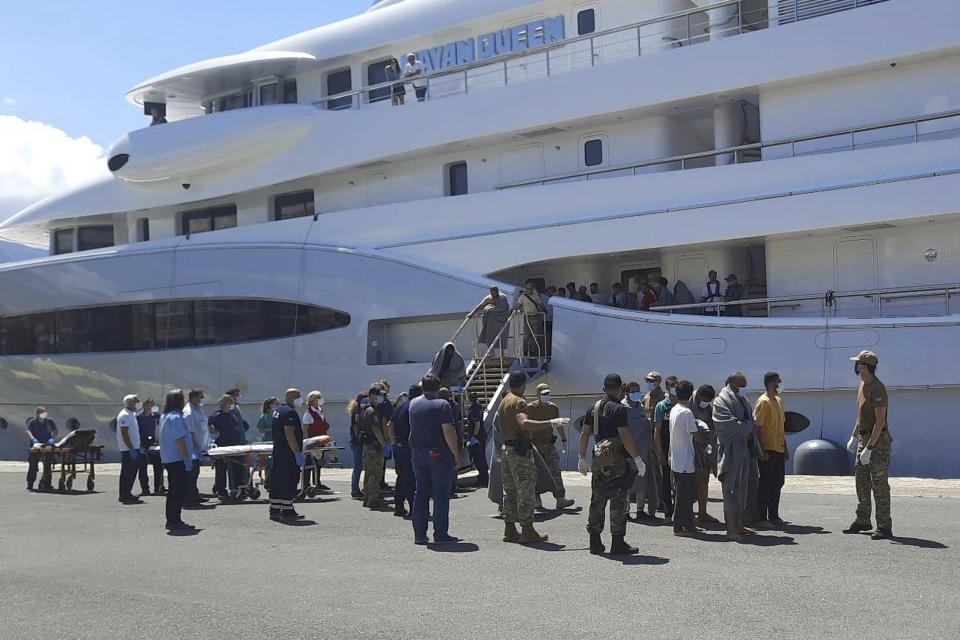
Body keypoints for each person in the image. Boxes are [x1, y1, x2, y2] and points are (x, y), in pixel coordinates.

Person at [579, 373, 645, 555]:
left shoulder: (593, 408)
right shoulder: (619, 409)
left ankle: (595, 541)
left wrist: (582, 456)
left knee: (597, 499)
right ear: (619, 389)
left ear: (603, 389)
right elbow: (625, 436)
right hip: (616, 461)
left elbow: (585, 433)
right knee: (618, 499)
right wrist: (638, 459)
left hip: (598, 459)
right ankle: (617, 542)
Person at [499, 372, 568, 544]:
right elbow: (524, 423)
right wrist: (551, 423)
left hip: (507, 449)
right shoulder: (519, 402)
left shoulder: (504, 400)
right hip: (520, 451)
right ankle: (527, 530)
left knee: (510, 490)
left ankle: (510, 528)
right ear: (523, 385)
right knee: (526, 490)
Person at [843, 350, 894, 540]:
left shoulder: (877, 388)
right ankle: (863, 520)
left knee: (879, 484)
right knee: (861, 481)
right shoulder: (862, 385)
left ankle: (884, 526)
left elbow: (880, 421)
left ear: (864, 367)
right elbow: (861, 416)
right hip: (864, 439)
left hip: (877, 441)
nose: (856, 367)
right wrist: (854, 436)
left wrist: (870, 448)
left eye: (858, 364)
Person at [408, 373, 462, 544]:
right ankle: (440, 534)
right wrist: (457, 455)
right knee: (440, 494)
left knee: (421, 493)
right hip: (438, 452)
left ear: (422, 387)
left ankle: (419, 534)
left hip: (417, 452)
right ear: (438, 388)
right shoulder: (442, 404)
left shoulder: (413, 404)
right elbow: (448, 431)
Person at [712, 372, 758, 541]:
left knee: (741, 490)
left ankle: (739, 524)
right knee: (730, 490)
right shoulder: (720, 401)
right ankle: (731, 529)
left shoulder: (743, 400)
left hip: (743, 450)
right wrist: (749, 428)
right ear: (731, 383)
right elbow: (727, 425)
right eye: (742, 385)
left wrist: (750, 427)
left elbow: (752, 421)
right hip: (730, 452)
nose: (744, 389)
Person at [527, 383, 574, 510]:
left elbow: (558, 424)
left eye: (547, 393)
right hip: (534, 445)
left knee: (555, 471)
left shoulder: (553, 407)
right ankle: (536, 499)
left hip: (548, 444)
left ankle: (560, 498)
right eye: (543, 394)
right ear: (537, 394)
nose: (546, 396)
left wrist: (564, 439)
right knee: (535, 473)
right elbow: (527, 426)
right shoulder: (530, 408)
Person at [669, 380, 706, 536]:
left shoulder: (675, 409)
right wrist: (705, 439)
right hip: (685, 460)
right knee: (683, 496)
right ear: (691, 394)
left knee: (686, 494)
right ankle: (678, 527)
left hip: (677, 458)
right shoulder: (687, 412)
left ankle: (689, 524)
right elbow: (696, 436)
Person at [156, 389, 195, 532]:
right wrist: (186, 458)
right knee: (177, 491)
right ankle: (174, 520)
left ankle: (173, 519)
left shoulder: (165, 416)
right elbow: (180, 440)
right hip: (177, 459)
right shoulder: (176, 418)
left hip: (168, 458)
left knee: (174, 490)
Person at [754, 372, 789, 527]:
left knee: (778, 482)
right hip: (768, 449)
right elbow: (758, 428)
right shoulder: (763, 402)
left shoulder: (779, 401)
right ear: (770, 383)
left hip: (779, 448)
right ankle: (762, 517)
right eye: (778, 381)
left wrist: (785, 448)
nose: (780, 384)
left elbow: (781, 428)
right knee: (766, 484)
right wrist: (761, 450)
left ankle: (774, 516)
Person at [623, 381, 657, 521]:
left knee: (642, 479)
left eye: (638, 390)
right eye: (633, 391)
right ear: (626, 392)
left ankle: (640, 509)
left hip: (642, 448)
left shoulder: (640, 406)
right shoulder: (623, 407)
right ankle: (625, 511)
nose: (636, 393)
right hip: (628, 449)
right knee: (627, 481)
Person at [270, 389, 305, 521]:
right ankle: (286, 509)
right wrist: (297, 453)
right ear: (290, 397)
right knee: (289, 480)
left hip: (279, 452)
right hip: (288, 453)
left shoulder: (278, 411)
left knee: (278, 480)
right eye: (298, 396)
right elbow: (289, 433)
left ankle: (275, 508)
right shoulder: (289, 412)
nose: (300, 399)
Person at [690, 385, 720, 524]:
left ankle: (702, 512)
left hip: (706, 448)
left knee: (703, 480)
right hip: (691, 448)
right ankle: (688, 513)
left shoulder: (709, 406)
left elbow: (713, 423)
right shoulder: (690, 404)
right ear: (699, 396)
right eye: (704, 400)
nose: (705, 403)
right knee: (689, 482)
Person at [391, 384, 421, 518]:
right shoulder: (414, 407)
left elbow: (389, 425)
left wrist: (394, 440)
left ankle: (398, 507)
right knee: (411, 478)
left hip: (398, 444)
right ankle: (413, 508)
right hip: (409, 445)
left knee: (401, 476)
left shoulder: (399, 406)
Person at [209, 394, 246, 499]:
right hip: (222, 445)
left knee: (236, 467)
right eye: (230, 402)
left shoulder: (232, 414)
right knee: (221, 469)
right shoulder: (216, 415)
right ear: (224, 403)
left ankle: (236, 488)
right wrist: (216, 432)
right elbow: (208, 426)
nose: (231, 404)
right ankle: (220, 490)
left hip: (234, 445)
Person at [653, 376, 679, 522]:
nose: (674, 387)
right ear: (667, 388)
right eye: (672, 385)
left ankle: (680, 510)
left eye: (676, 384)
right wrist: (660, 452)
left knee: (681, 482)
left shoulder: (684, 404)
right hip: (666, 448)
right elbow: (657, 430)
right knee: (667, 482)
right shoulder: (662, 406)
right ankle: (668, 513)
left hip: (681, 449)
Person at [359, 386, 388, 508]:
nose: (381, 398)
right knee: (375, 473)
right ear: (371, 396)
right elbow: (376, 429)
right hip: (374, 446)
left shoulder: (367, 409)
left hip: (368, 446)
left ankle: (367, 498)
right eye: (378, 395)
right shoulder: (371, 411)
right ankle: (373, 499)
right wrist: (384, 445)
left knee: (369, 473)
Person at [468, 285, 511, 359]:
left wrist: (495, 310)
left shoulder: (503, 297)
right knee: (489, 335)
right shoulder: (488, 299)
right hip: (491, 322)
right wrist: (471, 314)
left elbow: (505, 308)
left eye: (495, 292)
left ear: (497, 292)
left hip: (502, 320)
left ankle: (504, 353)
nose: (493, 294)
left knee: (503, 335)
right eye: (492, 293)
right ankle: (491, 352)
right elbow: (480, 306)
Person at [182, 389, 208, 506]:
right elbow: (190, 432)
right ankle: (189, 498)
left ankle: (195, 494)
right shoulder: (189, 412)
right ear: (193, 398)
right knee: (191, 475)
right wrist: (196, 447)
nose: (202, 399)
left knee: (195, 473)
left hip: (199, 447)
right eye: (201, 397)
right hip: (192, 448)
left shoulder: (198, 410)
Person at [301, 391, 331, 492]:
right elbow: (305, 430)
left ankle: (317, 482)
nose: (320, 399)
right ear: (312, 399)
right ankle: (306, 484)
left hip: (320, 442)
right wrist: (307, 444)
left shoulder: (320, 411)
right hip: (312, 442)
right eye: (318, 397)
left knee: (319, 463)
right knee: (309, 463)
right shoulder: (308, 413)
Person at [116, 394, 143, 504]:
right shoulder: (125, 415)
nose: (138, 403)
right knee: (127, 473)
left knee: (132, 472)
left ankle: (127, 493)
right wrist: (131, 448)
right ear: (129, 403)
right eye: (135, 401)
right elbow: (124, 433)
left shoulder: (132, 414)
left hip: (134, 448)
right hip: (128, 449)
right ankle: (124, 495)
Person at [136, 398, 165, 496]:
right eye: (150, 404)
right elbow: (136, 432)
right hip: (143, 444)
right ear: (145, 406)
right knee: (142, 468)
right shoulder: (139, 418)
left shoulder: (157, 417)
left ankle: (158, 487)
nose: (152, 406)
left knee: (158, 467)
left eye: (153, 404)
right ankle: (145, 489)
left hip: (154, 445)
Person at [25, 407, 58, 491]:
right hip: (36, 445)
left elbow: (55, 431)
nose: (44, 414)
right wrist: (33, 438)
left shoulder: (49, 422)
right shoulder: (32, 422)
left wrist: (53, 438)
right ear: (37, 414)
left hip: (47, 444)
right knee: (33, 465)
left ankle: (47, 483)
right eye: (42, 412)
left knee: (47, 464)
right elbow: (28, 431)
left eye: (45, 412)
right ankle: (30, 483)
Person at [515, 281, 545, 363]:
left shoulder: (536, 297)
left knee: (535, 335)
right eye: (527, 288)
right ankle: (525, 352)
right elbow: (517, 306)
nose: (528, 290)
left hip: (535, 317)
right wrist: (517, 311)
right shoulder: (522, 297)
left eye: (530, 289)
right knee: (526, 335)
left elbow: (541, 305)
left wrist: (543, 310)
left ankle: (533, 352)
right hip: (526, 318)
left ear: (532, 289)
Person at [465, 392, 488, 487]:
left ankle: (483, 478)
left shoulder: (474, 409)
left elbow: (477, 424)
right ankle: (483, 477)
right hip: (480, 436)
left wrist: (474, 436)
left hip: (477, 437)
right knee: (480, 457)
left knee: (479, 458)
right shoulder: (478, 406)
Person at [348, 392, 368, 499]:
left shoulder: (361, 410)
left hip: (358, 442)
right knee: (358, 466)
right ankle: (355, 489)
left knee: (360, 466)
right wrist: (360, 439)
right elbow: (356, 427)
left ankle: (358, 488)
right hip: (357, 442)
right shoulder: (357, 411)